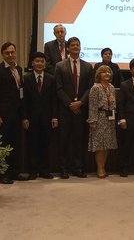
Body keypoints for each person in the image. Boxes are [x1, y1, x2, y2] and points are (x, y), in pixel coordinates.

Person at [55, 37, 94, 179]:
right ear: (68, 48)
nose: (76, 47)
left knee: (79, 140)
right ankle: (63, 168)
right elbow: (58, 88)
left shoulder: (88, 66)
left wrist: (80, 103)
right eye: (73, 45)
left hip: (81, 110)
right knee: (64, 140)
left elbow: (90, 88)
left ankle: (78, 168)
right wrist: (69, 104)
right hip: (65, 110)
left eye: (78, 45)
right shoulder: (60, 66)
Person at [0, 42, 28, 184]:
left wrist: (24, 116)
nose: (10, 55)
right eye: (7, 53)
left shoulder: (19, 69)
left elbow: (21, 94)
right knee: (3, 145)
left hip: (17, 115)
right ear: (3, 54)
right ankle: (2, 175)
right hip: (3, 116)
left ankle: (14, 172)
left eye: (12, 52)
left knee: (15, 144)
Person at [22, 52, 58, 180]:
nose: (39, 64)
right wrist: (25, 117)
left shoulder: (51, 78)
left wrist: (54, 117)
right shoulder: (26, 78)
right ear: (32, 63)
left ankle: (44, 170)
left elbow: (54, 100)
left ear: (45, 63)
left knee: (46, 144)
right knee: (32, 144)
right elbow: (24, 100)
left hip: (47, 118)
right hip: (31, 119)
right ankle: (33, 171)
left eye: (42, 61)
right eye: (37, 61)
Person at [87, 65, 117, 178]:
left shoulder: (112, 87)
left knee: (107, 145)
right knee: (99, 146)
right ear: (99, 74)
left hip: (109, 119)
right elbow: (92, 106)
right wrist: (93, 120)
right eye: (103, 72)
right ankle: (99, 169)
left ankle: (103, 167)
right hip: (99, 119)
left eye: (108, 72)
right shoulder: (95, 88)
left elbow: (113, 104)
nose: (107, 74)